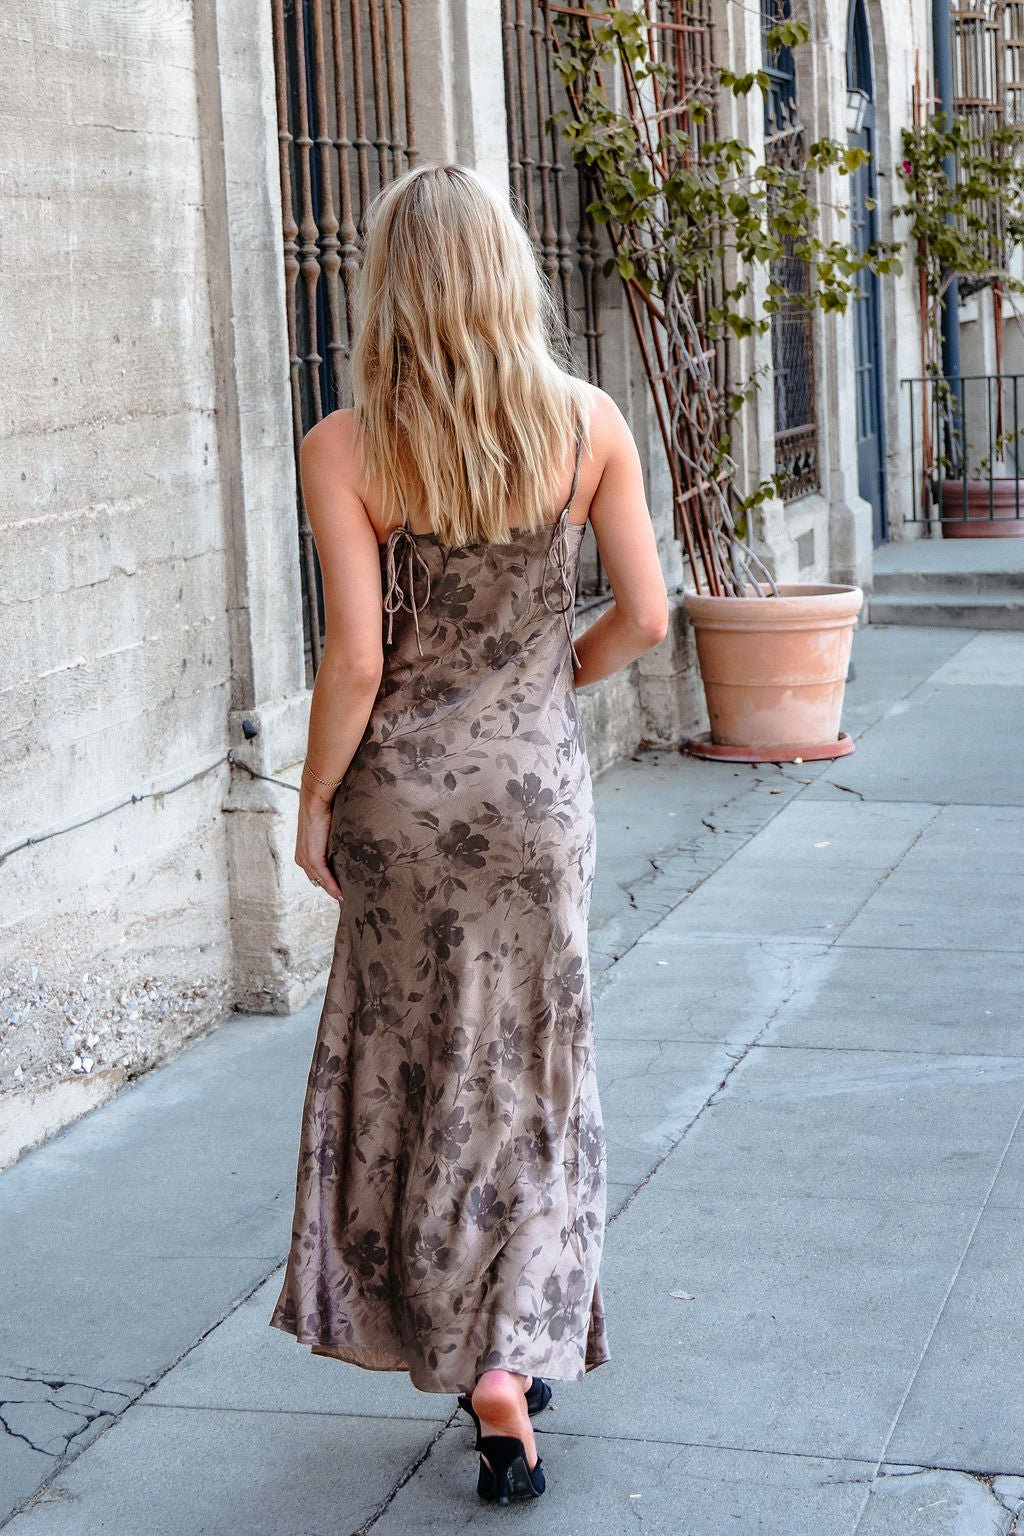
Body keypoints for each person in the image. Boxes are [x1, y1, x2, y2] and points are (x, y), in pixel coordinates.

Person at [268, 162, 668, 1506]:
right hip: (533, 803)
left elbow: (356, 662)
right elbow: (648, 620)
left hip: (401, 808)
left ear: (390, 285)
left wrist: (317, 803)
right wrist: (550, 687)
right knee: (531, 1067)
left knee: (417, 1067)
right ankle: (518, 1351)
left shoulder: (348, 445)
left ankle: (456, 1337)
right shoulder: (586, 424)